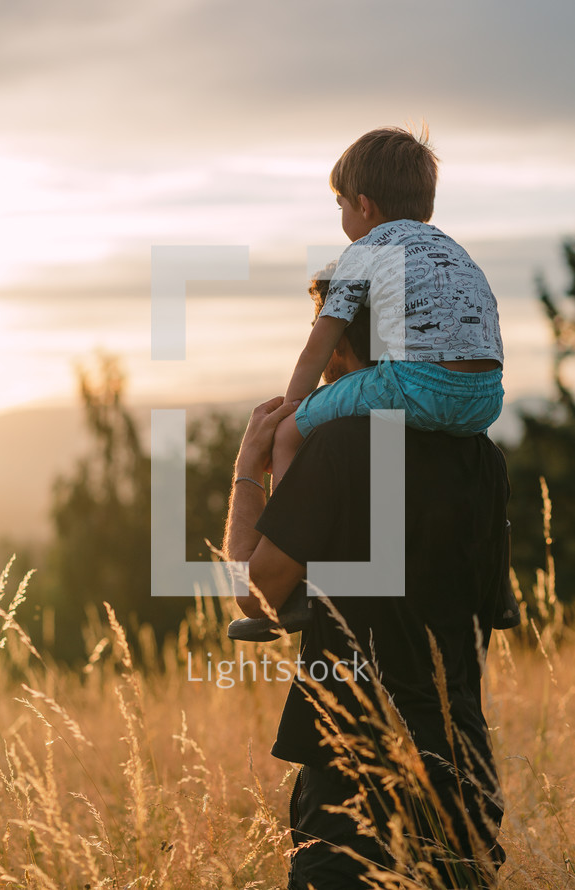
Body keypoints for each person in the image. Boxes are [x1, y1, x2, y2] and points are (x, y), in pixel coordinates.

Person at [223, 303, 511, 888]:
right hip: (461, 759)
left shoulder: (339, 447)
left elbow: (256, 596)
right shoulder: (483, 457)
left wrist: (249, 469)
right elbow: (489, 612)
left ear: (337, 348)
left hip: (353, 768)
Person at [272, 126, 505, 488]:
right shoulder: (452, 248)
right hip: (486, 400)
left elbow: (318, 347)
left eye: (341, 205)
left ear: (363, 206)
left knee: (288, 435)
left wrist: (292, 410)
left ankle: (281, 531)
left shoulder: (365, 249)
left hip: (417, 386)